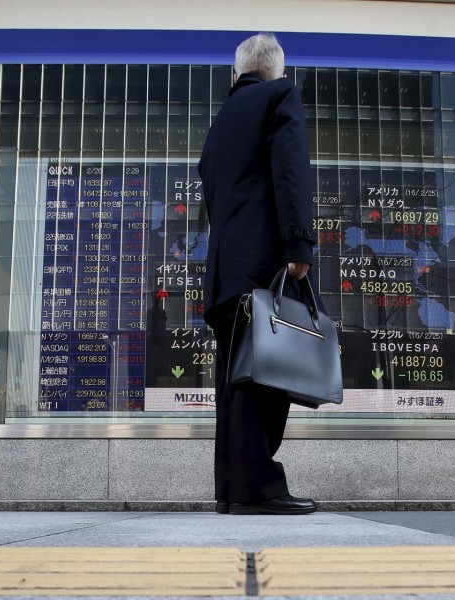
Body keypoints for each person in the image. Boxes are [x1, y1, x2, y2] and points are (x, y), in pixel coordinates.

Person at [198, 33, 317, 515]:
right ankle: (259, 489)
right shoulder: (280, 95)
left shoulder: (221, 120)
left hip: (226, 272)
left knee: (234, 384)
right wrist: (299, 244)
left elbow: (211, 186)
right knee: (266, 381)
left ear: (238, 72)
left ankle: (231, 489)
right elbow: (290, 171)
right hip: (264, 269)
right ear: (278, 69)